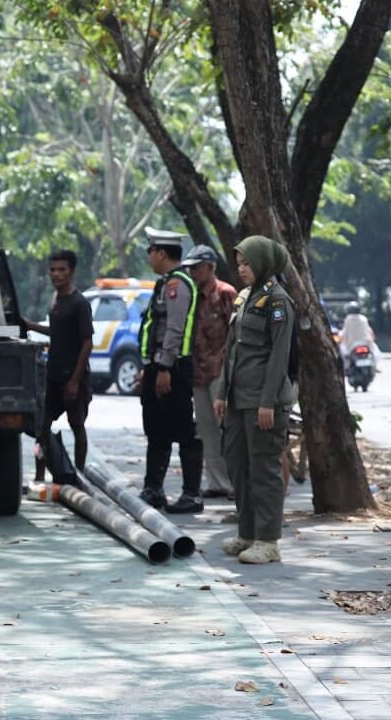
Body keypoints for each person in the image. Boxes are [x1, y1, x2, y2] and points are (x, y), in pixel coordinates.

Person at [213, 235, 296, 564]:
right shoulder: (244, 298)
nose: (242, 269)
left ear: (262, 263)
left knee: (264, 469)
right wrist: (221, 392)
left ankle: (268, 539)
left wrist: (267, 403)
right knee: (238, 466)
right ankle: (247, 533)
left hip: (264, 401)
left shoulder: (278, 302)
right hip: (237, 399)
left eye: (247, 263)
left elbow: (279, 357)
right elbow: (231, 351)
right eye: (239, 263)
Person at [137, 227, 204, 514]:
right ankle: (154, 489)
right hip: (158, 366)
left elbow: (175, 329)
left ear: (161, 253)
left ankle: (192, 494)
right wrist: (149, 367)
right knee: (156, 429)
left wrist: (164, 367)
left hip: (173, 368)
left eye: (150, 251)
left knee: (183, 429)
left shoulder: (178, 285)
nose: (149, 256)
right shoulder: (166, 283)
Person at [21, 250, 92, 484]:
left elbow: (87, 342)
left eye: (61, 270)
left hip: (73, 375)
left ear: (71, 271)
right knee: (42, 427)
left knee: (77, 425)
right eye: (52, 270)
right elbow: (57, 332)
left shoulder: (79, 303)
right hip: (52, 374)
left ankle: (79, 475)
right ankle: (40, 475)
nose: (56, 274)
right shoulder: (54, 299)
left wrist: (74, 380)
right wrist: (30, 325)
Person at [182, 245, 238, 500]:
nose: (193, 272)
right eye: (190, 268)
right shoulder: (191, 295)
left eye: (197, 267)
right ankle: (217, 482)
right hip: (198, 372)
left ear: (211, 267)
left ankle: (236, 482)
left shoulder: (226, 293)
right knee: (206, 430)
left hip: (221, 372)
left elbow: (236, 334)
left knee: (227, 428)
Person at [339, 301, 379, 371]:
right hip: (366, 343)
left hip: (352, 345)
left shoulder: (348, 319)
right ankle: (375, 366)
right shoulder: (364, 318)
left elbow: (344, 334)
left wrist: (342, 340)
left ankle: (346, 367)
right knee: (376, 350)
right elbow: (370, 332)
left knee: (342, 350)